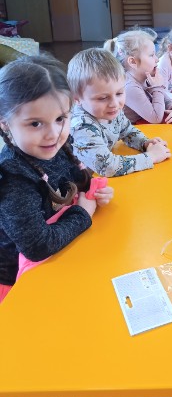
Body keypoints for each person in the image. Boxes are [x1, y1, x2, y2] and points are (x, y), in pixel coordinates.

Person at [0, 55, 114, 303]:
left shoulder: (56, 147)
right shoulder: (12, 180)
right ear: (5, 124)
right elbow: (38, 246)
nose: (53, 134)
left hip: (63, 257)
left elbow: (78, 181)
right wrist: (83, 213)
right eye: (35, 123)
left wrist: (96, 192)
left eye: (61, 118)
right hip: (19, 284)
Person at [68, 48, 171, 177]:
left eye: (119, 93)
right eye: (102, 98)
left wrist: (145, 143)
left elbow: (127, 131)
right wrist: (151, 157)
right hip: (79, 181)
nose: (115, 104)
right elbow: (108, 167)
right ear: (77, 99)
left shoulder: (110, 110)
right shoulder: (82, 126)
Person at [105, 28, 172, 125]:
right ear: (133, 62)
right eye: (151, 55)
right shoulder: (129, 87)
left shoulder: (145, 78)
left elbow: (166, 100)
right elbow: (155, 118)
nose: (157, 59)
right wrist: (157, 87)